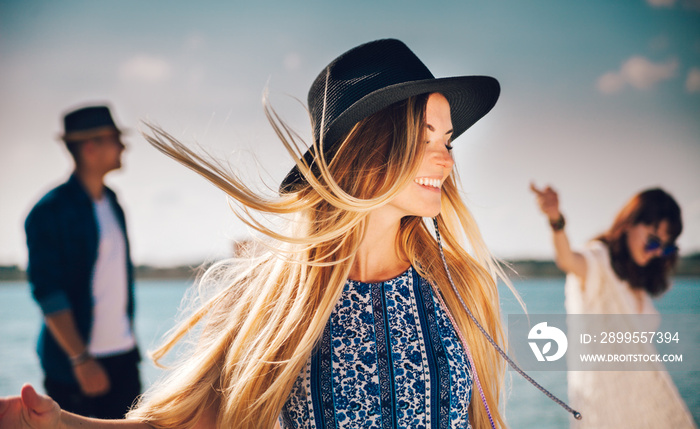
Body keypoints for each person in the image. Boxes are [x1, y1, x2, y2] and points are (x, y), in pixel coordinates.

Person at [1, 39, 572, 429]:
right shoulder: (275, 299)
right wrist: (62, 422)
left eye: (448, 141)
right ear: (367, 149)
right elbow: (188, 423)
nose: (444, 159)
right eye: (425, 136)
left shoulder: (461, 286)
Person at [530, 184, 696, 428]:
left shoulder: (636, 282)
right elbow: (568, 259)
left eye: (665, 247)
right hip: (604, 407)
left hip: (645, 405)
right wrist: (556, 219)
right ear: (629, 223)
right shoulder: (599, 260)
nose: (657, 251)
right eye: (652, 241)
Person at [21, 105, 141, 419]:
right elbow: (48, 292)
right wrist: (80, 358)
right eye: (116, 138)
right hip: (78, 367)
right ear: (90, 147)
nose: (124, 146)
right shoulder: (49, 212)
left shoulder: (113, 202)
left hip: (124, 358)